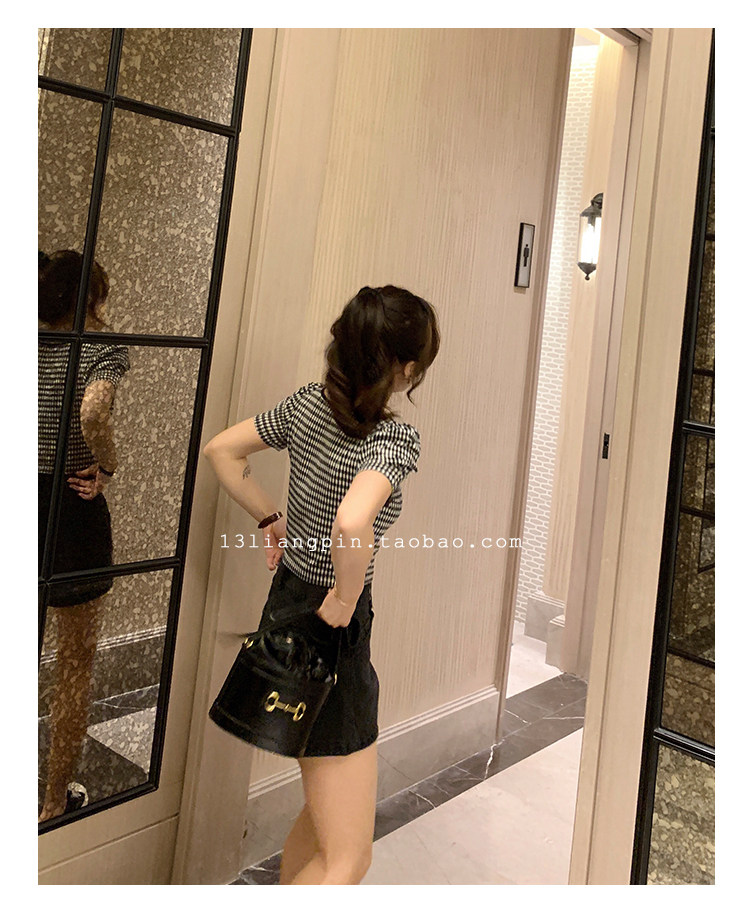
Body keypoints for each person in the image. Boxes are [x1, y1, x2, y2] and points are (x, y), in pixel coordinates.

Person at [203, 284, 440, 884]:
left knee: (322, 812)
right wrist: (345, 595)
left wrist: (269, 517)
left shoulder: (307, 406)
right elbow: (353, 521)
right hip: (331, 629)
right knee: (349, 857)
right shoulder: (393, 439)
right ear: (403, 368)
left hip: (287, 600)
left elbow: (222, 451)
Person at [38, 250, 131, 822]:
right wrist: (108, 465)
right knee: (74, 661)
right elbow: (94, 412)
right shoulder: (101, 346)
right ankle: (53, 801)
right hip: (72, 507)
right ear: (89, 298)